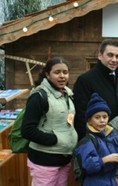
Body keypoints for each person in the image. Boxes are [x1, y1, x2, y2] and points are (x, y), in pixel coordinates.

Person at [21, 57, 78, 186]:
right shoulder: (39, 96)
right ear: (47, 74)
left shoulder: (68, 94)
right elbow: (27, 130)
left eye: (65, 72)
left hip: (64, 158)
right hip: (44, 160)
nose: (62, 76)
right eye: (57, 72)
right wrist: (54, 140)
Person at [73, 39, 118, 140]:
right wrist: (87, 142)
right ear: (100, 55)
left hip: (117, 139)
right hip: (95, 141)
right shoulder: (85, 80)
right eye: (110, 55)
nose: (114, 59)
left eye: (117, 56)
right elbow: (80, 116)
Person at [73, 93, 118, 186]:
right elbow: (86, 166)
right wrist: (105, 160)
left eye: (104, 117)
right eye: (97, 117)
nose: (102, 120)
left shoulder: (112, 137)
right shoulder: (87, 141)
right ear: (89, 120)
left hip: (111, 181)